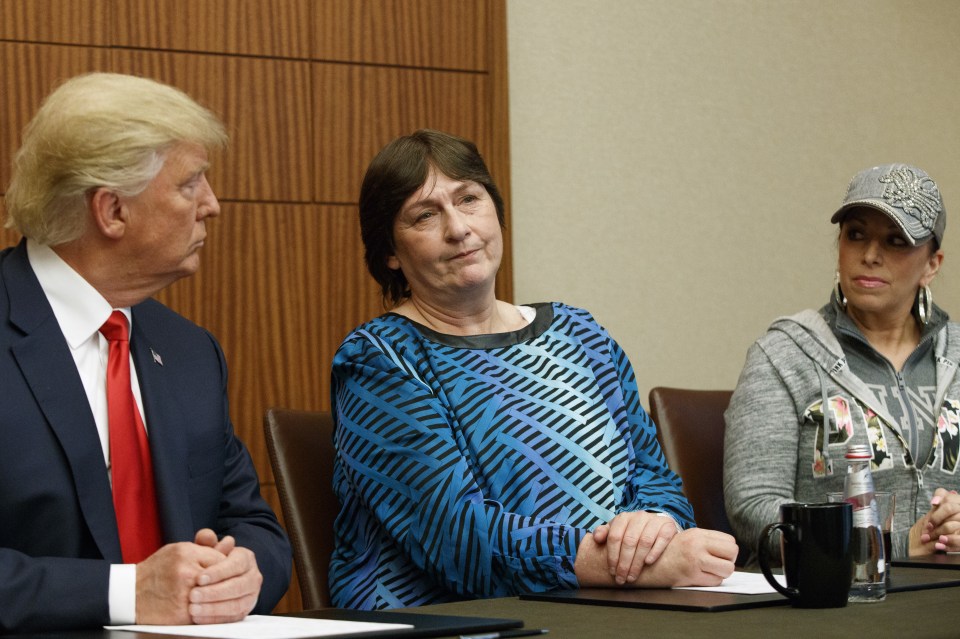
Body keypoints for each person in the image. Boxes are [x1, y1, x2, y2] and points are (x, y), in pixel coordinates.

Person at [329, 129, 738, 610]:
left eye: (469, 200)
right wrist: (627, 566)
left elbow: (655, 480)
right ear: (390, 254)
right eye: (425, 215)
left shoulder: (579, 333)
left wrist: (654, 524)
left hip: (605, 611)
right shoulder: (377, 359)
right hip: (447, 621)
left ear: (496, 213)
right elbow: (457, 539)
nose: (459, 228)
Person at [0, 72, 291, 633]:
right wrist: (126, 593)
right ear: (111, 211)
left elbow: (253, 523)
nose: (213, 205)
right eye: (190, 184)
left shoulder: (189, 351)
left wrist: (245, 572)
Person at [724, 163, 960, 563]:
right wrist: (892, 547)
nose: (870, 255)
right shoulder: (783, 355)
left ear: (932, 264)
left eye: (896, 241)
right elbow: (753, 511)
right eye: (855, 235)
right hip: (831, 603)